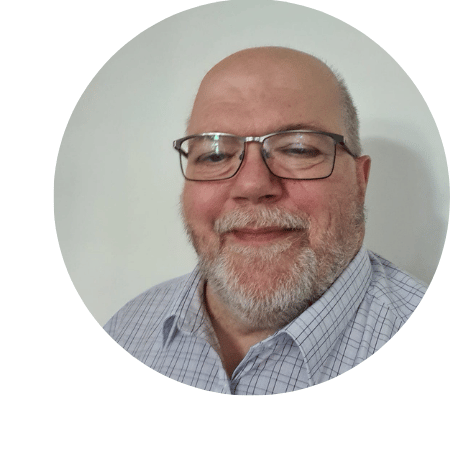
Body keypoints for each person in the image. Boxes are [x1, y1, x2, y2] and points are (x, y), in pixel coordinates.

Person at [104, 46, 427, 395]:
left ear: (360, 181)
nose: (253, 185)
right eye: (214, 156)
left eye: (299, 149)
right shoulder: (124, 333)